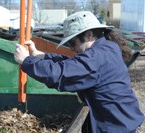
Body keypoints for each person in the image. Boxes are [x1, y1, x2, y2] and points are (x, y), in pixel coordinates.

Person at [14, 11, 144, 133]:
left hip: (113, 126)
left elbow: (60, 74)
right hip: (120, 120)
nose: (71, 48)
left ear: (89, 35)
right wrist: (41, 56)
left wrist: (26, 61)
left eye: (73, 42)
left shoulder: (96, 58)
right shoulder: (107, 47)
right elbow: (74, 64)